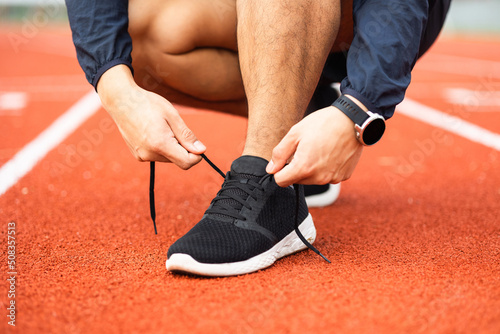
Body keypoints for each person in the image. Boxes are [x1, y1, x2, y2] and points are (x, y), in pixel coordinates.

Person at [65, 0, 451, 276]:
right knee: (142, 29)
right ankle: (304, 118)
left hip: (374, 13)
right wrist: (115, 88)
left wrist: (360, 107)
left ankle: (267, 185)